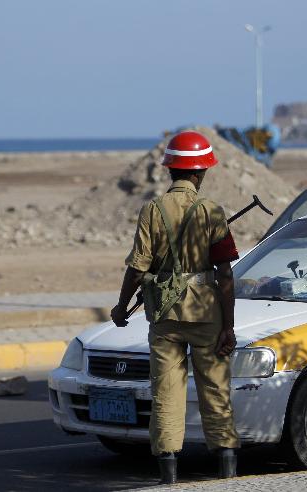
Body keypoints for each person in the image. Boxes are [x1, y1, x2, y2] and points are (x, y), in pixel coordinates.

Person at [110, 131, 240, 484]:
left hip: (164, 316)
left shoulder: (152, 210)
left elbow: (137, 267)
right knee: (215, 390)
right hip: (206, 316)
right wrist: (228, 326)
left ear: (170, 171)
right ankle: (226, 473)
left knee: (166, 392)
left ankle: (167, 477)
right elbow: (225, 274)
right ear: (201, 173)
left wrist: (122, 307)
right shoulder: (212, 211)